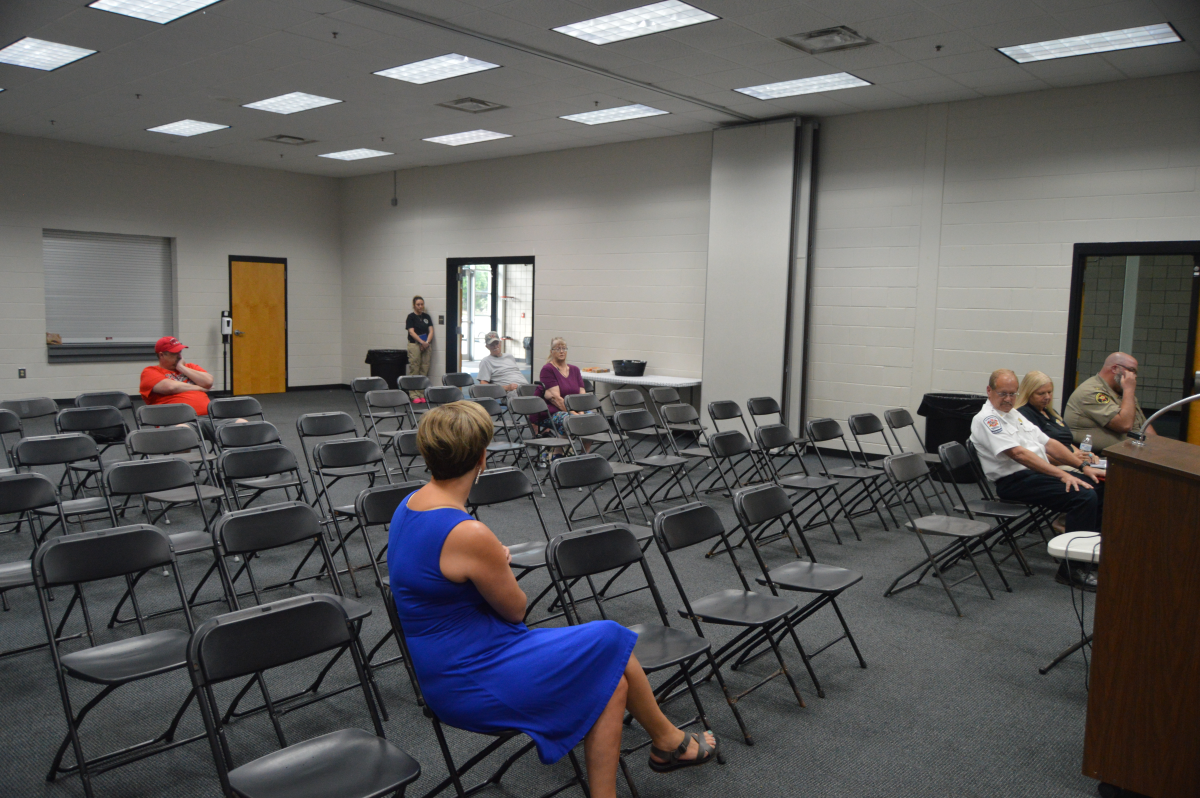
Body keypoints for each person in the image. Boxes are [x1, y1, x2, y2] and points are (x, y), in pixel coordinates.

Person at [387, 402, 716, 796]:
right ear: (482, 458)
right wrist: (496, 563)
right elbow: (515, 610)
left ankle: (656, 752)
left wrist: (488, 562)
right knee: (610, 639)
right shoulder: (468, 533)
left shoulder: (408, 505)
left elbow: (440, 576)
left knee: (609, 676)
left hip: (448, 662)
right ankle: (668, 742)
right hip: (470, 674)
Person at [971, 369, 1102, 588]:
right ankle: (1072, 569)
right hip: (1014, 481)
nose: (1008, 399)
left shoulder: (1013, 414)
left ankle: (1090, 557)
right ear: (989, 390)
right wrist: (1063, 474)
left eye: (1013, 394)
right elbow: (1019, 455)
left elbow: (1048, 443)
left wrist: (1082, 466)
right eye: (1003, 393)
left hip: (1034, 474)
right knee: (1084, 496)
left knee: (1099, 487)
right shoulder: (987, 419)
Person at [1064, 352, 1155, 454]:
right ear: (1115, 369)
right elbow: (1124, 425)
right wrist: (1129, 390)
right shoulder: (1091, 392)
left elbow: (1143, 425)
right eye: (1131, 370)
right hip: (1097, 457)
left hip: (1130, 454)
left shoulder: (1122, 392)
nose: (1134, 376)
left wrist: (1158, 448)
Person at [535, 337, 586, 438]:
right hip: (552, 411)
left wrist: (581, 412)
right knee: (569, 420)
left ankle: (585, 453)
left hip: (574, 410)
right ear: (551, 352)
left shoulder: (575, 370)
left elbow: (582, 395)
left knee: (592, 418)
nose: (561, 351)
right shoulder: (548, 369)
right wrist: (575, 415)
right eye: (558, 349)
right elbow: (556, 399)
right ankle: (559, 451)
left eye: (564, 348)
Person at [476, 331, 529, 401]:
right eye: (492, 345)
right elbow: (483, 385)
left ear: (500, 343)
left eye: (497, 343)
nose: (495, 346)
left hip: (525, 387)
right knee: (526, 401)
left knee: (543, 394)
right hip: (511, 392)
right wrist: (506, 388)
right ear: (487, 347)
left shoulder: (510, 357)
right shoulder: (486, 361)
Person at [406, 296, 434, 401]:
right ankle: (413, 394)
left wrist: (426, 343)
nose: (420, 306)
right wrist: (421, 342)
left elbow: (431, 331)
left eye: (422, 304)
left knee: (424, 368)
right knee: (415, 368)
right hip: (415, 344)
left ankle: (421, 393)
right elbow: (411, 332)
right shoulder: (411, 317)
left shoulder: (427, 317)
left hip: (426, 344)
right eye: (418, 304)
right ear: (414, 305)